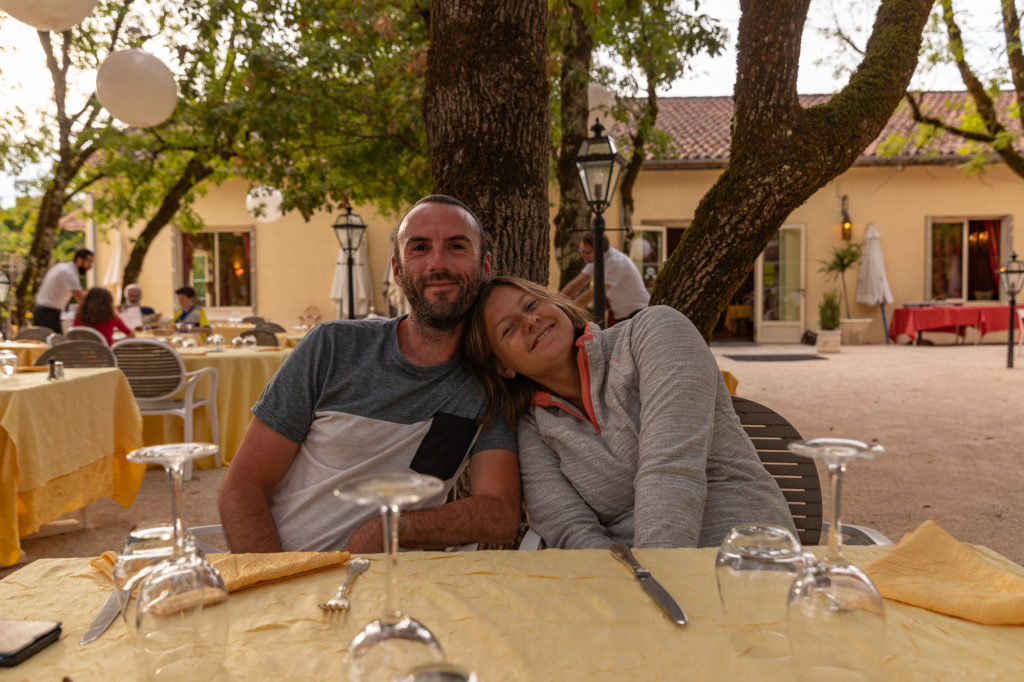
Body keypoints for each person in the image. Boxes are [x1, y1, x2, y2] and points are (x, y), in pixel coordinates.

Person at [218, 195, 520, 554]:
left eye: (456, 246)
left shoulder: (490, 379)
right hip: (292, 574)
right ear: (398, 270)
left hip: (392, 590)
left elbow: (499, 513)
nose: (437, 263)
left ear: (484, 266)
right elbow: (242, 487)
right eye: (420, 248)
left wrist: (388, 529)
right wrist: (273, 586)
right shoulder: (331, 347)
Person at [464, 275, 793, 550]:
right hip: (634, 582)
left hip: (747, 555)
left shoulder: (656, 332)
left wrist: (654, 586)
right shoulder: (533, 424)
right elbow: (567, 525)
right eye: (508, 328)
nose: (530, 321)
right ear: (502, 367)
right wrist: (623, 586)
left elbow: (672, 469)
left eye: (532, 304)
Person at [560, 233, 649, 323]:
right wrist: (557, 301)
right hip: (622, 315)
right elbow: (578, 283)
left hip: (639, 313)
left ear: (599, 251)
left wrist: (568, 310)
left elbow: (596, 291)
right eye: (581, 250)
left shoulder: (615, 262)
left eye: (587, 252)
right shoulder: (595, 261)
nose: (582, 255)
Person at [32, 248, 93, 334]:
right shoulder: (69, 273)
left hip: (44, 312)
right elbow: (81, 299)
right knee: (56, 345)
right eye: (89, 262)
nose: (90, 267)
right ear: (79, 260)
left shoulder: (61, 267)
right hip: (48, 314)